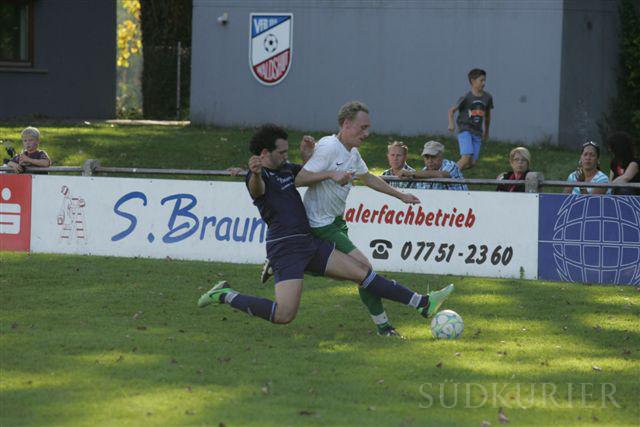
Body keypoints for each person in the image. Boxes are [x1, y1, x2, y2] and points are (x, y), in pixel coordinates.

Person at [198, 124, 454, 329]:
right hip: (285, 248)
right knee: (284, 315)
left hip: (308, 241)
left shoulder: (287, 169)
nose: (287, 157)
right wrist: (252, 173)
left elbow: (308, 175)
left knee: (363, 273)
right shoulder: (258, 176)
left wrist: (309, 157)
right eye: (282, 153)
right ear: (264, 154)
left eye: (288, 153)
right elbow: (257, 190)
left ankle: (421, 302)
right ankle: (225, 294)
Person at [293, 101, 421, 338]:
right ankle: (385, 326)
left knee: (358, 272)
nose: (366, 133)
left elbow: (369, 178)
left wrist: (400, 196)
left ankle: (290, 259)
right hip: (320, 223)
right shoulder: (329, 147)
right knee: (364, 270)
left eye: (368, 128)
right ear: (346, 124)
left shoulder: (351, 152)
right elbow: (299, 179)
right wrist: (331, 174)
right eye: (362, 128)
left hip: (336, 222)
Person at [447, 68, 494, 170]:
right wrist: (451, 124)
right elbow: (451, 110)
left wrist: (486, 132)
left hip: (477, 133)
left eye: (485, 80)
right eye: (481, 80)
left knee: (471, 163)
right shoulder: (466, 97)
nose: (484, 83)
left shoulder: (487, 97)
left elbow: (487, 116)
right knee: (466, 157)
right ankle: (446, 176)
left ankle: (450, 171)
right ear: (473, 81)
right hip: (465, 130)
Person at [402, 140, 468, 191]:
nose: (430, 161)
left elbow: (442, 175)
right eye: (427, 157)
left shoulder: (451, 165)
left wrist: (411, 173)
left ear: (441, 156)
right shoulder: (423, 172)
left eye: (433, 157)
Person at [607, 131, 639, 195]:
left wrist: (608, 187)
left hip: (634, 197)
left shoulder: (634, 163)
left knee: (623, 188)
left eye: (611, 147)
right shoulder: (614, 163)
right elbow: (611, 180)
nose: (609, 150)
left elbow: (625, 178)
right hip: (617, 196)